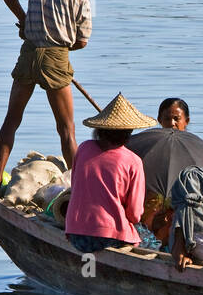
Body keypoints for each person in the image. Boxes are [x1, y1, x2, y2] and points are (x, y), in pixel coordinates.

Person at [0, 0, 102, 193]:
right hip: (56, 58)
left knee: (12, 120)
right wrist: (59, 42)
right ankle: (81, 190)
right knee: (66, 129)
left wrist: (24, 20)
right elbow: (82, 42)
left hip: (29, 53)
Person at [64, 93, 155, 253]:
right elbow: (134, 214)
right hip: (109, 237)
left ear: (100, 130)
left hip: (76, 234)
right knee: (152, 241)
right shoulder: (133, 161)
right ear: (128, 133)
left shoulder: (84, 148)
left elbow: (75, 186)